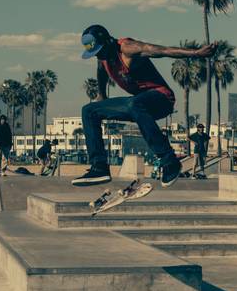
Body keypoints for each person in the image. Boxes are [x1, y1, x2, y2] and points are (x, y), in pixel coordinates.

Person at [72, 24, 214, 187]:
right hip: (139, 105)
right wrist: (102, 97)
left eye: (101, 51)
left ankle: (170, 161)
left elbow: (162, 51)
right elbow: (101, 73)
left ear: (108, 41)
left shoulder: (127, 48)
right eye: (96, 54)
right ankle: (99, 167)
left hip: (162, 99)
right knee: (89, 111)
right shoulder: (102, 58)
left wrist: (196, 53)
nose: (100, 56)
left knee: (134, 103)